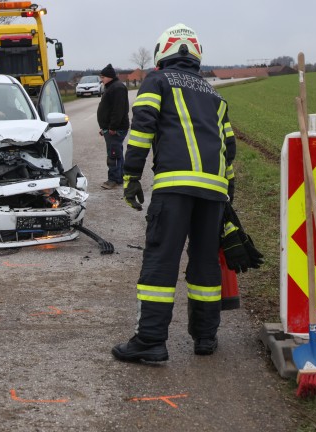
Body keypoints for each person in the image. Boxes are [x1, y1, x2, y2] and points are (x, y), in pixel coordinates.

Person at [111, 23, 236, 362]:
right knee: (206, 264)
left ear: (162, 53)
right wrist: (229, 192)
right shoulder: (214, 93)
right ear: (195, 55)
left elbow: (141, 131)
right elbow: (230, 148)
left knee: (161, 262)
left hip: (174, 188)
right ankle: (206, 338)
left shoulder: (156, 81)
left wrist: (131, 176)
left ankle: (151, 341)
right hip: (214, 192)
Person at [97, 64, 129, 189]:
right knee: (117, 152)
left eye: (103, 76)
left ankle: (113, 180)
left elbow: (118, 110)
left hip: (116, 128)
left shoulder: (117, 88)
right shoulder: (111, 87)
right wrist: (104, 127)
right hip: (110, 127)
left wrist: (113, 127)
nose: (101, 79)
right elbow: (108, 109)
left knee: (113, 154)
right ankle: (120, 177)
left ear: (110, 77)